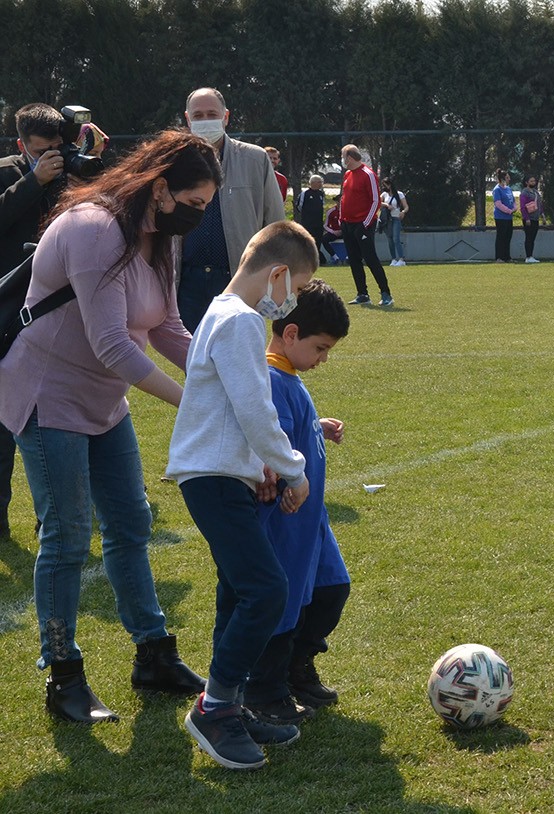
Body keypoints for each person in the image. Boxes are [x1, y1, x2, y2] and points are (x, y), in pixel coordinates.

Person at [0, 130, 216, 723]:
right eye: (194, 202)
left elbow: (166, 326)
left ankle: (153, 655)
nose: (198, 215)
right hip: (48, 395)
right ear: (160, 187)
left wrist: (221, 379)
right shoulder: (94, 229)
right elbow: (112, 343)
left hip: (103, 400)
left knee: (130, 523)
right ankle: (63, 675)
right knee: (68, 535)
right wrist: (192, 403)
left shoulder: (160, 235)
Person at [167, 220, 317, 770]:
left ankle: (226, 702)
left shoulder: (221, 312)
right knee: (265, 590)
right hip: (211, 476)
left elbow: (231, 408)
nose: (292, 300)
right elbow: (256, 409)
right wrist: (293, 469)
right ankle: (215, 709)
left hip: (220, 474)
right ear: (277, 274)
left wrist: (257, 467)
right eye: (297, 288)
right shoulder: (241, 322)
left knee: (238, 590)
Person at [243, 279, 351, 724]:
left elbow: (288, 435)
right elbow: (272, 443)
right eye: (320, 348)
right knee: (284, 607)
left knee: (331, 589)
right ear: (290, 334)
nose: (323, 358)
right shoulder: (271, 378)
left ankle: (297, 667)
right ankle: (267, 689)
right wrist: (280, 475)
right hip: (286, 522)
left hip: (312, 522)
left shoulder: (288, 374)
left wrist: (315, 427)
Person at [0, 103, 109, 540]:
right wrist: (34, 180)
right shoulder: (8, 172)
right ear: (21, 144)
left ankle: (56, 515)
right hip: (9, 308)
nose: (52, 157)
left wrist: (90, 160)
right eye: (42, 150)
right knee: (5, 421)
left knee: (56, 416)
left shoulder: (71, 168)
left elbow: (103, 210)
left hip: (59, 308)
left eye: (57, 149)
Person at [177, 88, 285, 332]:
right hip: (187, 283)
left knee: (238, 351)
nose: (205, 120)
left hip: (238, 280)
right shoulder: (172, 161)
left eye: (212, 114)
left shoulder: (255, 160)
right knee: (189, 354)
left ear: (226, 117)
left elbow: (275, 223)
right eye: (198, 115)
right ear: (187, 119)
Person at [338, 144, 393, 306]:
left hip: (363, 224)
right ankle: (362, 293)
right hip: (347, 223)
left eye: (342, 156)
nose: (342, 160)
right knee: (354, 259)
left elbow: (376, 201)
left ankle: (386, 293)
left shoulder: (368, 174)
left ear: (349, 158)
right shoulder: (347, 174)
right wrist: (341, 218)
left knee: (370, 258)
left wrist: (365, 223)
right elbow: (344, 197)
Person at [296, 175, 329, 264]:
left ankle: (316, 261)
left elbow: (322, 205)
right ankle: (306, 261)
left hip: (318, 223)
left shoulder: (321, 194)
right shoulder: (305, 193)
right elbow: (299, 206)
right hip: (308, 223)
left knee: (318, 242)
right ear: (313, 183)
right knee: (308, 242)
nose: (321, 184)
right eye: (319, 182)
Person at [381, 180, 407, 266]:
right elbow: (378, 202)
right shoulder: (384, 195)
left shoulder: (399, 194)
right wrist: (386, 205)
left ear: (390, 185)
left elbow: (406, 206)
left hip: (396, 218)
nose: (384, 187)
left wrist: (403, 212)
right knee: (390, 239)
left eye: (385, 185)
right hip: (387, 219)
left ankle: (401, 259)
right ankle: (393, 259)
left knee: (396, 238)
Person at [519, 174, 543, 264]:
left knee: (532, 238)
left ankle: (531, 256)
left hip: (535, 218)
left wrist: (542, 214)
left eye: (534, 181)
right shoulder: (524, 193)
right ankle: (528, 256)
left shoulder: (536, 192)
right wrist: (527, 218)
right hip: (529, 218)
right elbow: (523, 207)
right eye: (531, 181)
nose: (533, 183)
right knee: (529, 237)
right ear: (526, 182)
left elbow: (539, 204)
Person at [492, 171, 516, 263]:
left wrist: (514, 208)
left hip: (509, 217)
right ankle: (499, 257)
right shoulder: (497, 189)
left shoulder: (508, 189)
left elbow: (513, 200)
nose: (509, 179)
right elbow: (498, 204)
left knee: (508, 236)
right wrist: (508, 210)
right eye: (507, 177)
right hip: (500, 217)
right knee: (501, 237)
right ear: (502, 179)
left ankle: (507, 257)